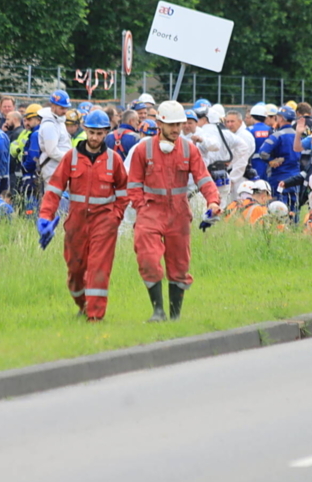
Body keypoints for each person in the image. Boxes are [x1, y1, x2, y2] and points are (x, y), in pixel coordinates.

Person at [128, 100, 220, 322]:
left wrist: (213, 201)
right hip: (150, 211)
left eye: (179, 124)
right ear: (159, 123)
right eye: (171, 125)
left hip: (178, 212)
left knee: (179, 265)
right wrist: (141, 208)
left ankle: (175, 316)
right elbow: (133, 185)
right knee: (148, 259)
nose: (176, 129)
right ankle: (158, 311)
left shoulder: (190, 149)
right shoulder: (143, 149)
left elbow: (203, 178)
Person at [38, 110, 128, 321]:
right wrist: (45, 217)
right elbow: (54, 190)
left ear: (107, 132)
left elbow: (124, 193)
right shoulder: (71, 158)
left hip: (104, 223)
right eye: (91, 132)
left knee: (98, 268)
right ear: (85, 130)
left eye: (99, 133)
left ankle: (95, 317)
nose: (95, 137)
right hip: (76, 223)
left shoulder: (114, 160)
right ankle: (82, 305)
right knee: (75, 270)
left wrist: (116, 216)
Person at [259, 105, 301, 214]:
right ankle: (294, 229)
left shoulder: (277, 135)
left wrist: (270, 161)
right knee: (294, 209)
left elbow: (263, 152)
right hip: (296, 178)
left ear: (281, 118)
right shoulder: (300, 135)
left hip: (279, 177)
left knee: (278, 209)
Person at [194, 104, 239, 203]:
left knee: (203, 207)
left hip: (206, 176)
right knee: (220, 207)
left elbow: (213, 146)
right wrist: (232, 162)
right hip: (223, 174)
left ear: (205, 120)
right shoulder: (223, 132)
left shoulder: (203, 131)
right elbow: (242, 147)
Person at [37, 90, 73, 186]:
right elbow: (52, 151)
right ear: (53, 106)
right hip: (53, 171)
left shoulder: (58, 121)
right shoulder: (50, 125)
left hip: (59, 169)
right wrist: (71, 159)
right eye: (62, 108)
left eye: (66, 108)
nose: (65, 111)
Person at [224, 109, 255, 201]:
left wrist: (232, 180)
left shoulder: (244, 136)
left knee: (237, 205)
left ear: (240, 122)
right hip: (232, 174)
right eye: (227, 122)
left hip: (239, 177)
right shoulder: (232, 135)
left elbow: (242, 161)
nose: (229, 124)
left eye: (232, 121)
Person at [248, 103, 273, 180]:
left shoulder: (249, 130)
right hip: (268, 164)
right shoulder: (270, 129)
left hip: (253, 164)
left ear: (252, 117)